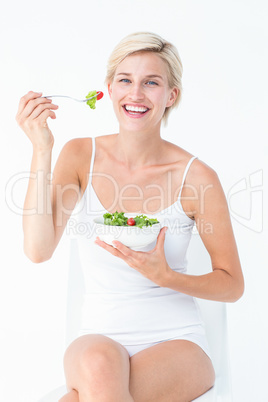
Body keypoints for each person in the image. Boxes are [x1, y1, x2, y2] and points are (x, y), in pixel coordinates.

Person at [16, 32, 244, 402]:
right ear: (108, 88)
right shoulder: (79, 156)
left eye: (151, 83)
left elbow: (232, 285)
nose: (135, 94)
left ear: (171, 96)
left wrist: (167, 277)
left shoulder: (197, 178)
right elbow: (38, 250)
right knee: (99, 365)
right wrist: (42, 149)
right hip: (97, 339)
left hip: (178, 343)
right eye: (125, 80)